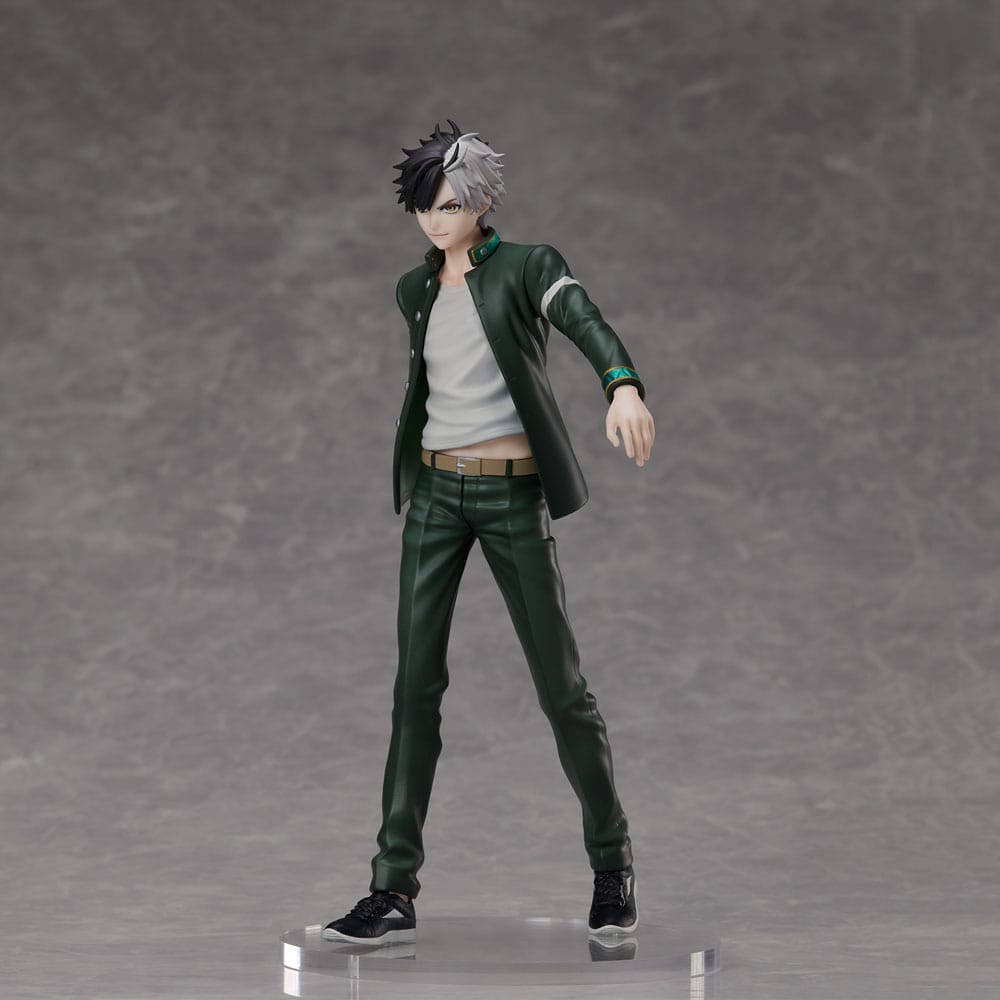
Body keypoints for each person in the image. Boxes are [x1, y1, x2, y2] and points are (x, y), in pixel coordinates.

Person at [323, 121, 654, 945]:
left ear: (482, 201)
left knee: (562, 689)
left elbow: (581, 316)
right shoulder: (415, 289)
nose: (436, 220)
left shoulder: (529, 267)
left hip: (512, 497)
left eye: (450, 205)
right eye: (424, 207)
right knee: (413, 689)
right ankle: (392, 888)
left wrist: (621, 383)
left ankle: (611, 865)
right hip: (436, 496)